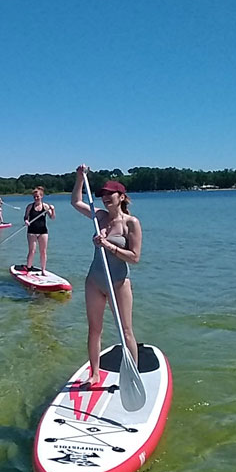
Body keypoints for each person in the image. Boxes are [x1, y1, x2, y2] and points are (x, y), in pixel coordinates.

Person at [71, 165, 142, 388]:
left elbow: (134, 257)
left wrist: (108, 245)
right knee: (94, 329)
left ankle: (132, 377)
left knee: (126, 331)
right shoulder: (99, 217)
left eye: (109, 195)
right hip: (94, 281)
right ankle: (94, 374)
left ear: (121, 197)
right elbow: (75, 202)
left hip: (119, 282)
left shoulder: (132, 223)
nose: (104, 199)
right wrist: (80, 178)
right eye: (102, 195)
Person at [22, 186, 56, 275]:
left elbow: (52, 217)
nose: (36, 198)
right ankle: (29, 269)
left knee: (43, 251)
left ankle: (43, 270)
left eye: (37, 196)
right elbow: (26, 217)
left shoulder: (45, 206)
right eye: (34, 197)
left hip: (43, 231)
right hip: (32, 231)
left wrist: (53, 209)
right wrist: (26, 221)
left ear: (41, 196)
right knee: (32, 250)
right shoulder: (30, 206)